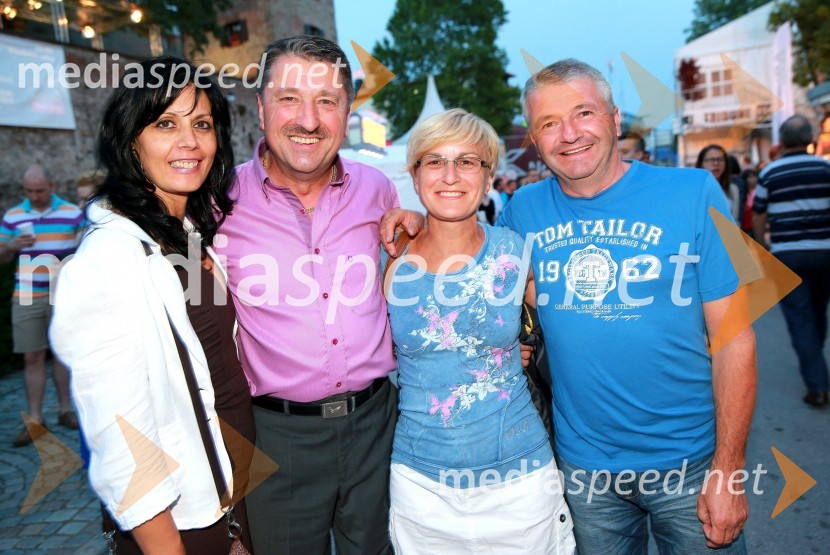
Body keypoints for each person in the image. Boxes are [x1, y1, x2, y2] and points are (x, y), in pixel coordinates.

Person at [383, 58, 757, 554]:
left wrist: (728, 470)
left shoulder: (695, 193)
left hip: (689, 465)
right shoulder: (524, 212)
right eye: (548, 124)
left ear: (615, 118)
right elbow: (470, 259)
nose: (569, 134)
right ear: (535, 141)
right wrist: (418, 219)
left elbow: (736, 338)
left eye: (583, 113)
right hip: (583, 470)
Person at [213, 36, 421, 555]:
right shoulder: (217, 201)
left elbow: (415, 268)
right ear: (260, 109)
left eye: (327, 101)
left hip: (378, 425)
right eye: (288, 98)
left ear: (347, 112)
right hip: (276, 438)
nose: (309, 120)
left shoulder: (377, 189)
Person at [49, 57, 254, 554]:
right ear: (130, 141)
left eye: (201, 124)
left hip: (230, 493)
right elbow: (122, 441)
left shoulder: (183, 235)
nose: (189, 142)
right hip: (180, 524)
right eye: (166, 124)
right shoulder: (110, 258)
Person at [383, 108, 574, 553]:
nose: (450, 175)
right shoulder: (388, 259)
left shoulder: (519, 254)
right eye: (434, 161)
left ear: (488, 178)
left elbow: (575, 330)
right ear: (415, 176)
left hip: (521, 481)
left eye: (467, 161)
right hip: (421, 484)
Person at [0, 165, 83, 447]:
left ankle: (65, 411)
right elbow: (1, 257)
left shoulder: (72, 212)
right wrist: (10, 245)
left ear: (52, 186)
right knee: (32, 357)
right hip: (26, 295)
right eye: (28, 191)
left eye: (39, 190)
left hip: (62, 295)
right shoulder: (13, 216)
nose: (33, 196)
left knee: (62, 355)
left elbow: (85, 248)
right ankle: (36, 420)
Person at [753, 115, 830, 407]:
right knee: (818, 312)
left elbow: (759, 214)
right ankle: (817, 370)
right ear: (811, 140)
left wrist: (763, 247)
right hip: (825, 251)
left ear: (781, 142)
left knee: (800, 319)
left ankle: (817, 385)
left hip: (787, 254)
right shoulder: (825, 167)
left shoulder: (770, 173)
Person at [697, 144, 741, 224]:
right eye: (711, 160)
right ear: (701, 163)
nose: (716, 163)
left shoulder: (733, 189)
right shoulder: (695, 190)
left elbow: (735, 221)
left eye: (720, 159)